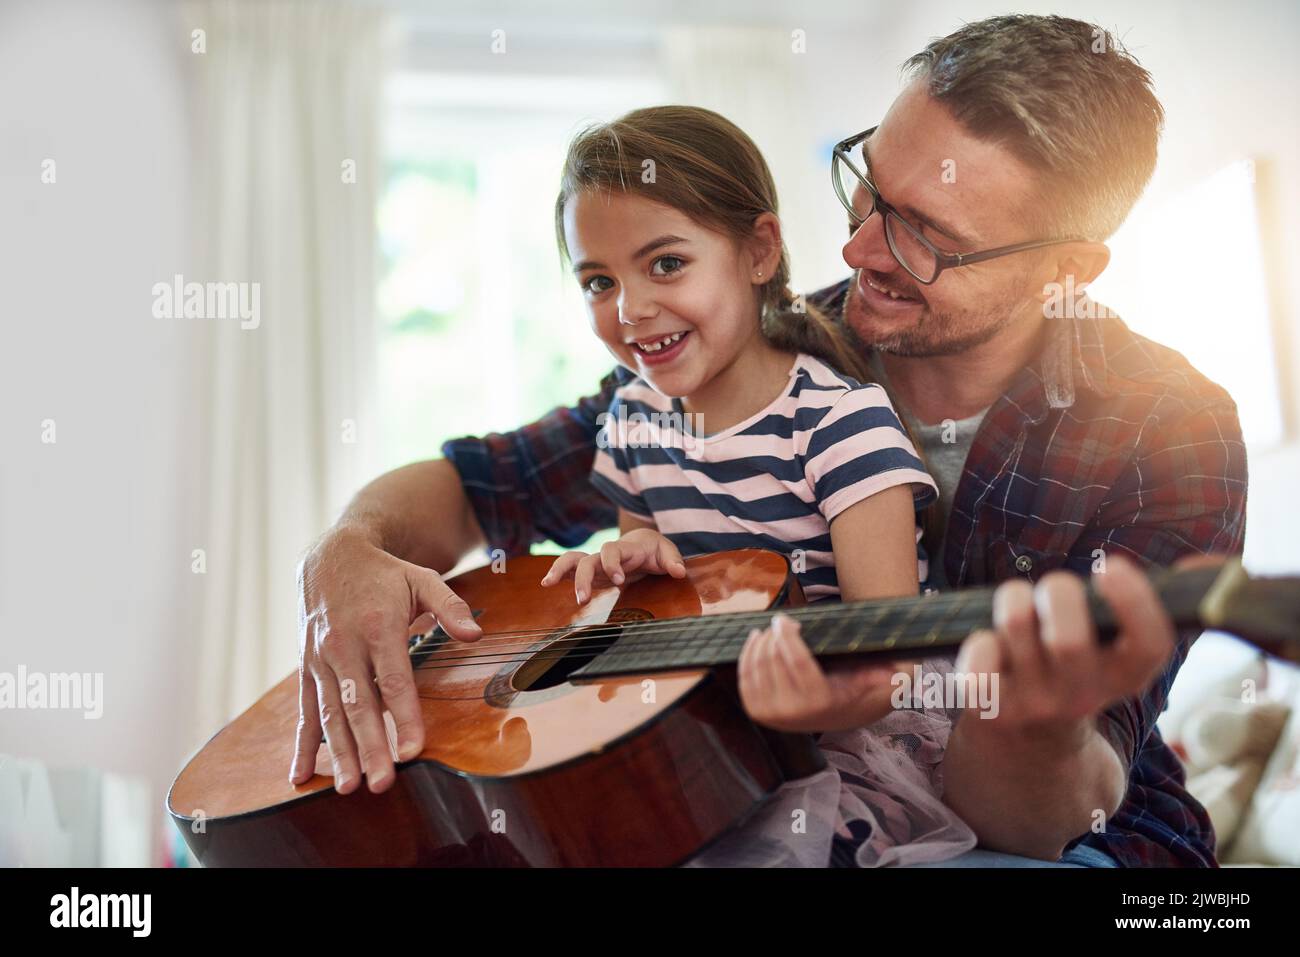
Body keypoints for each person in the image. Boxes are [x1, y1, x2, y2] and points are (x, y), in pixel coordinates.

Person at [292, 15, 1247, 867]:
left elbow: (1042, 815)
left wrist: (1024, 721)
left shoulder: (1171, 431)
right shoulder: (746, 349)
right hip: (751, 788)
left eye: (923, 235)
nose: (858, 250)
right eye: (866, 187)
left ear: (1065, 269)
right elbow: (470, 485)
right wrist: (348, 551)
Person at [535, 104, 976, 866]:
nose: (631, 309)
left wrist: (814, 703)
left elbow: (893, 660)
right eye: (598, 280)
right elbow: (646, 572)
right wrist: (618, 569)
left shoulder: (840, 424)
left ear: (759, 251)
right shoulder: (634, 417)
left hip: (850, 742)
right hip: (714, 732)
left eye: (666, 263)